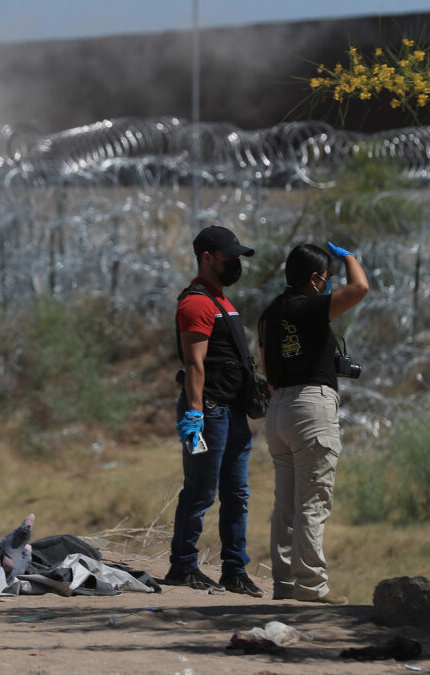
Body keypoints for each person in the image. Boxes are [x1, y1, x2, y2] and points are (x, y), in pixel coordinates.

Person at [257, 242, 369, 604]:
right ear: (316, 279)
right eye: (327, 279)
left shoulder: (271, 313)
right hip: (310, 407)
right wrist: (350, 257)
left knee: (286, 503)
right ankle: (311, 587)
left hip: (278, 409)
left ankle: (285, 585)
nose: (328, 285)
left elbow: (268, 368)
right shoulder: (311, 307)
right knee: (313, 499)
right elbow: (360, 289)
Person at [164, 225, 262, 598]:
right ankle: (183, 566)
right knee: (201, 492)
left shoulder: (223, 302)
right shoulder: (195, 303)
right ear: (208, 258)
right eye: (229, 258)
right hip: (209, 413)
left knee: (237, 494)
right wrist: (194, 415)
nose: (235, 264)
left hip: (233, 415)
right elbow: (195, 365)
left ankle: (234, 570)